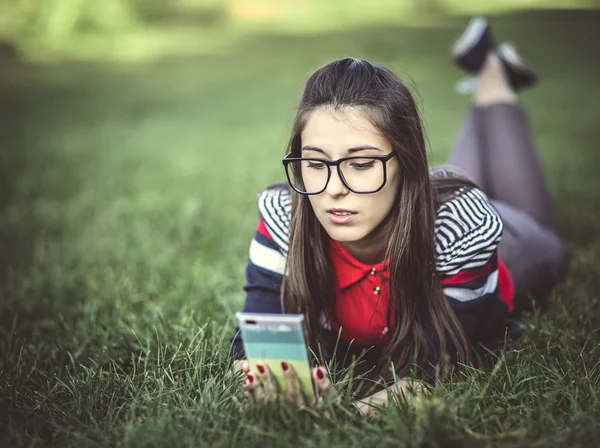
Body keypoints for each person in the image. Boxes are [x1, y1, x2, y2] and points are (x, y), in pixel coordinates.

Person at [228, 17, 566, 411]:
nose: (333, 188)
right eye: (316, 163)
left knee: (530, 219)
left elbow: (434, 372)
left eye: (361, 163)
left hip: (513, 244)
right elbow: (250, 351)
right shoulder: (285, 217)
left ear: (405, 164)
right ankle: (490, 77)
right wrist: (262, 383)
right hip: (429, 199)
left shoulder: (462, 230)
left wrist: (339, 413)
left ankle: (492, 75)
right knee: (457, 181)